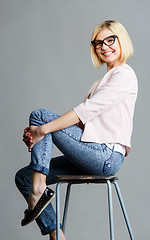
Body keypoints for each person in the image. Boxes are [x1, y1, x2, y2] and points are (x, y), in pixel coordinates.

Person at [15, 20, 138, 240]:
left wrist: (42, 129)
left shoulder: (124, 75)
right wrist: (40, 135)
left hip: (105, 156)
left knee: (41, 117)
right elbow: (80, 125)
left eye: (110, 40)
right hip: (89, 151)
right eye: (98, 43)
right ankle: (57, 235)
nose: (104, 46)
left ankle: (39, 189)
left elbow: (86, 111)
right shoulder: (100, 82)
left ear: (122, 41)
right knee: (24, 177)